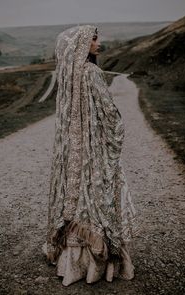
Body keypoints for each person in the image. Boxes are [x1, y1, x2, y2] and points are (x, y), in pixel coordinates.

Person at [42, 24, 139, 286]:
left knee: (75, 196)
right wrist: (116, 129)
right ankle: (99, 263)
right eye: (94, 39)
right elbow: (108, 112)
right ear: (83, 45)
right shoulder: (92, 72)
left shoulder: (70, 74)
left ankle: (73, 260)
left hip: (74, 149)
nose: (98, 43)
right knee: (98, 192)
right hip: (94, 149)